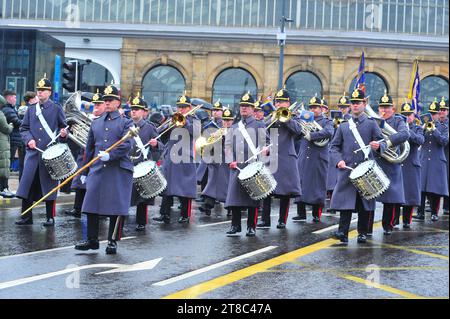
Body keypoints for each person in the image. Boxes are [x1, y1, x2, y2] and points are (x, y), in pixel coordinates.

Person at [75, 84, 134, 254]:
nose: (107, 103)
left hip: (117, 169)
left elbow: (126, 144)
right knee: (91, 203)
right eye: (105, 100)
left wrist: (111, 155)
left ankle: (112, 240)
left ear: (117, 102)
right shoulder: (96, 122)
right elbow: (89, 148)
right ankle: (92, 240)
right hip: (98, 168)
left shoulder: (125, 122)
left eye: (110, 100)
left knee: (116, 206)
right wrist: (85, 172)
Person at [329, 88, 385, 244]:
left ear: (364, 103)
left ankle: (362, 232)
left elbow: (383, 143)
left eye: (357, 103)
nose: (354, 106)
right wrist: (338, 160)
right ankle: (343, 233)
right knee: (345, 203)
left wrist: (378, 146)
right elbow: (334, 147)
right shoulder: (344, 126)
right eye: (352, 103)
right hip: (347, 169)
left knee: (363, 203)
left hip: (365, 170)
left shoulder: (371, 124)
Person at [15, 75, 68, 226]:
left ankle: (50, 218)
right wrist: (29, 139)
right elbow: (23, 128)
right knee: (28, 185)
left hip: (49, 154)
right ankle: (26, 216)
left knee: (49, 187)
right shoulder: (31, 109)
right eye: (39, 90)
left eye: (43, 90)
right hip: (33, 154)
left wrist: (64, 134)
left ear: (49, 92)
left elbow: (64, 127)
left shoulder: (56, 108)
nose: (40, 92)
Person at [225, 92, 269, 237]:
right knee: (234, 198)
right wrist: (230, 160)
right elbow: (228, 145)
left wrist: (266, 149)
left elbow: (268, 143)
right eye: (242, 106)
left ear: (252, 109)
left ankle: (251, 226)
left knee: (253, 199)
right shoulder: (234, 126)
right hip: (237, 166)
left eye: (247, 106)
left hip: (252, 165)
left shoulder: (259, 124)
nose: (244, 108)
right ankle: (235, 225)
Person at [257, 88, 302, 229]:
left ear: (288, 103)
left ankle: (282, 220)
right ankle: (265, 220)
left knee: (285, 192)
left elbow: (298, 131)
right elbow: (263, 135)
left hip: (286, 158)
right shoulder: (270, 117)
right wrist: (264, 147)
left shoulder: (293, 117)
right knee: (267, 190)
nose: (280, 104)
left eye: (282, 102)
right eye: (277, 101)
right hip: (271, 157)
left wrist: (285, 118)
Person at [153, 93, 197, 224]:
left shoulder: (194, 120)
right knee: (167, 187)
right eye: (179, 107)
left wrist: (184, 122)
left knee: (185, 188)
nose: (181, 110)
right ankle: (164, 213)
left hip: (185, 157)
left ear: (190, 107)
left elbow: (196, 133)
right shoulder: (173, 119)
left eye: (184, 107)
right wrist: (170, 124)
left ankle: (185, 215)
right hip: (170, 157)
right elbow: (162, 135)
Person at [65, 90, 106, 218]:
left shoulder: (105, 120)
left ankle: (100, 211)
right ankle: (77, 208)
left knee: (96, 185)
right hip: (84, 154)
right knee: (79, 182)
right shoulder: (89, 118)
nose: (96, 106)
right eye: (95, 104)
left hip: (97, 156)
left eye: (99, 104)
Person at [373, 92, 410, 235]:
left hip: (391, 163)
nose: (384, 110)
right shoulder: (374, 121)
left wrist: (386, 143)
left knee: (391, 198)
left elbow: (405, 134)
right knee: (370, 198)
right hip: (376, 161)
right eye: (382, 107)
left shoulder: (398, 121)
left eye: (387, 107)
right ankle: (366, 229)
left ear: (393, 109)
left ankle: (387, 225)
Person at [295, 96, 333, 223]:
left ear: (321, 108)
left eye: (315, 107)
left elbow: (328, 133)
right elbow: (297, 131)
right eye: (311, 107)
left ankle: (317, 213)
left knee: (318, 186)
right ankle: (301, 213)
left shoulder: (327, 121)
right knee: (301, 183)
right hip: (304, 155)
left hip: (318, 157)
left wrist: (312, 135)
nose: (313, 109)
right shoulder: (305, 119)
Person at [128, 93, 162, 231]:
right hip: (128, 165)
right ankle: (120, 217)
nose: (134, 111)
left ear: (143, 112)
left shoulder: (149, 127)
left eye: (137, 109)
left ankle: (141, 222)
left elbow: (161, 146)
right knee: (124, 194)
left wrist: (155, 145)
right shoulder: (126, 125)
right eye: (132, 108)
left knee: (142, 196)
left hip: (141, 165)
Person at [414, 99, 449, 221]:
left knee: (435, 189)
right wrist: (423, 129)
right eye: (431, 113)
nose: (433, 116)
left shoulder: (443, 127)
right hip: (423, 159)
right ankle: (420, 212)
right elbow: (419, 140)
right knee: (421, 188)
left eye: (435, 114)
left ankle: (434, 212)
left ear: (439, 114)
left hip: (436, 160)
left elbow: (444, 142)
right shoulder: (423, 126)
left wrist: (434, 130)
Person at [393, 101, 424, 229]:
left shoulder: (417, 127)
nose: (407, 117)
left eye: (409, 115)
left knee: (410, 195)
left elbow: (420, 140)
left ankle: (407, 220)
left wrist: (407, 132)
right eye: (404, 115)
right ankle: (394, 220)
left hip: (411, 164)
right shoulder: (397, 126)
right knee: (396, 194)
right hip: (399, 163)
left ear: (413, 115)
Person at [200, 108, 235, 216]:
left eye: (229, 120)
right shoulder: (217, 132)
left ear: (233, 120)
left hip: (228, 164)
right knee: (212, 184)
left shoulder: (236, 132)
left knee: (228, 186)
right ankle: (207, 206)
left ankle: (230, 208)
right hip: (216, 162)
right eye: (225, 120)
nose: (227, 122)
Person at [325, 94, 352, 214]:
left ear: (349, 108)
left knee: (341, 181)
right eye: (340, 107)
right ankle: (333, 204)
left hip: (345, 151)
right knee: (332, 180)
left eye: (344, 107)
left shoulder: (351, 119)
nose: (342, 109)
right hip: (335, 152)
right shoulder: (333, 120)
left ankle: (341, 205)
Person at [1, 90, 25, 193]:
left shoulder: (8, 109)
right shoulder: (7, 110)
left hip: (10, 140)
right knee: (6, 165)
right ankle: (4, 188)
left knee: (6, 165)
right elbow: (16, 122)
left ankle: (4, 187)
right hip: (9, 141)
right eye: (14, 97)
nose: (16, 99)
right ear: (9, 98)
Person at [0, 95, 14, 198]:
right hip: (2, 142)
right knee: (3, 165)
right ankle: (3, 189)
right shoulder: (0, 114)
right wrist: (11, 125)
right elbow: (6, 129)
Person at [438, 97, 449, 215]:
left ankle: (447, 206)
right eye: (440, 110)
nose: (441, 112)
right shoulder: (434, 122)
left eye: (444, 110)